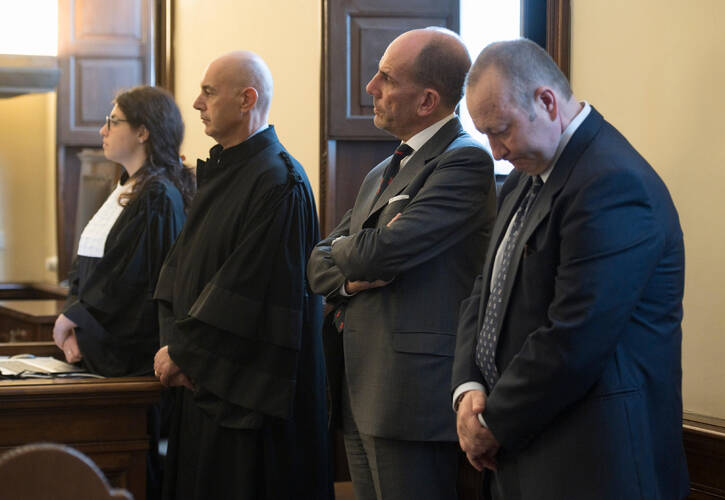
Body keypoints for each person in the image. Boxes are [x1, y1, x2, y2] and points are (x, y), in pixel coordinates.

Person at [452, 38, 690, 499]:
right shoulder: (525, 175)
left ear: (546, 101)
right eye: (485, 135)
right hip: (524, 448)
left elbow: (575, 336)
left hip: (591, 461)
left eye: (501, 130)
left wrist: (493, 421)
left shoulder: (612, 182)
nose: (495, 152)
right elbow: (485, 290)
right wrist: (468, 388)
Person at [308, 28, 495, 500]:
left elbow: (379, 253)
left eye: (387, 78)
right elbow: (315, 263)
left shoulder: (464, 161)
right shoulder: (381, 171)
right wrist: (349, 280)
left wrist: (353, 250)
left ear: (427, 100)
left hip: (410, 395)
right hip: (358, 385)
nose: (371, 86)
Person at [151, 51, 331, 500]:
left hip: (245, 405)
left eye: (208, 92)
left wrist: (187, 352)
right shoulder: (223, 174)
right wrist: (177, 347)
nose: (196, 103)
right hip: (202, 388)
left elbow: (253, 293)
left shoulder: (278, 182)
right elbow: (178, 273)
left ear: (247, 99)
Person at [53, 85, 194, 377]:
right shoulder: (126, 188)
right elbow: (85, 268)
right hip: (92, 345)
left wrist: (75, 320)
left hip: (129, 357)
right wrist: (72, 321)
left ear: (143, 132)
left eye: (113, 122)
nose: (103, 131)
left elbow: (134, 284)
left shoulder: (158, 196)